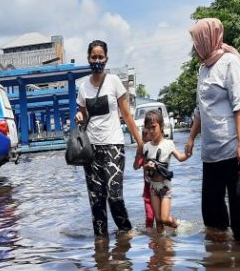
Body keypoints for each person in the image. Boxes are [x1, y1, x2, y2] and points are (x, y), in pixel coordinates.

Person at [184, 18, 240, 242]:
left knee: (239, 213)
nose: (194, 47)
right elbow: (199, 109)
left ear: (207, 39)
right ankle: (220, 265)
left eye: (196, 42)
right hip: (211, 153)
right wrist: (192, 139)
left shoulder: (230, 63)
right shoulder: (202, 69)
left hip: (233, 148)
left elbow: (239, 105)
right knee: (211, 215)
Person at [75, 40, 144, 237]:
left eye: (100, 57)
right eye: (93, 57)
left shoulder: (114, 82)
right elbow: (84, 116)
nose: (97, 60)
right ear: (88, 59)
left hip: (114, 145)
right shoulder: (83, 87)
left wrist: (139, 143)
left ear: (106, 59)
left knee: (114, 195)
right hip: (91, 149)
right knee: (96, 200)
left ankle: (126, 232)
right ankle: (101, 245)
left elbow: (127, 115)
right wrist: (80, 116)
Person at [133, 110, 187, 232]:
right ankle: (160, 245)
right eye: (148, 128)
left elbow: (180, 157)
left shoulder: (168, 144)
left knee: (164, 218)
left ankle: (178, 224)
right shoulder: (146, 147)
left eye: (153, 127)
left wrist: (188, 153)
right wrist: (146, 164)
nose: (151, 131)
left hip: (164, 186)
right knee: (158, 220)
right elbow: (139, 166)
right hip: (153, 188)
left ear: (161, 126)